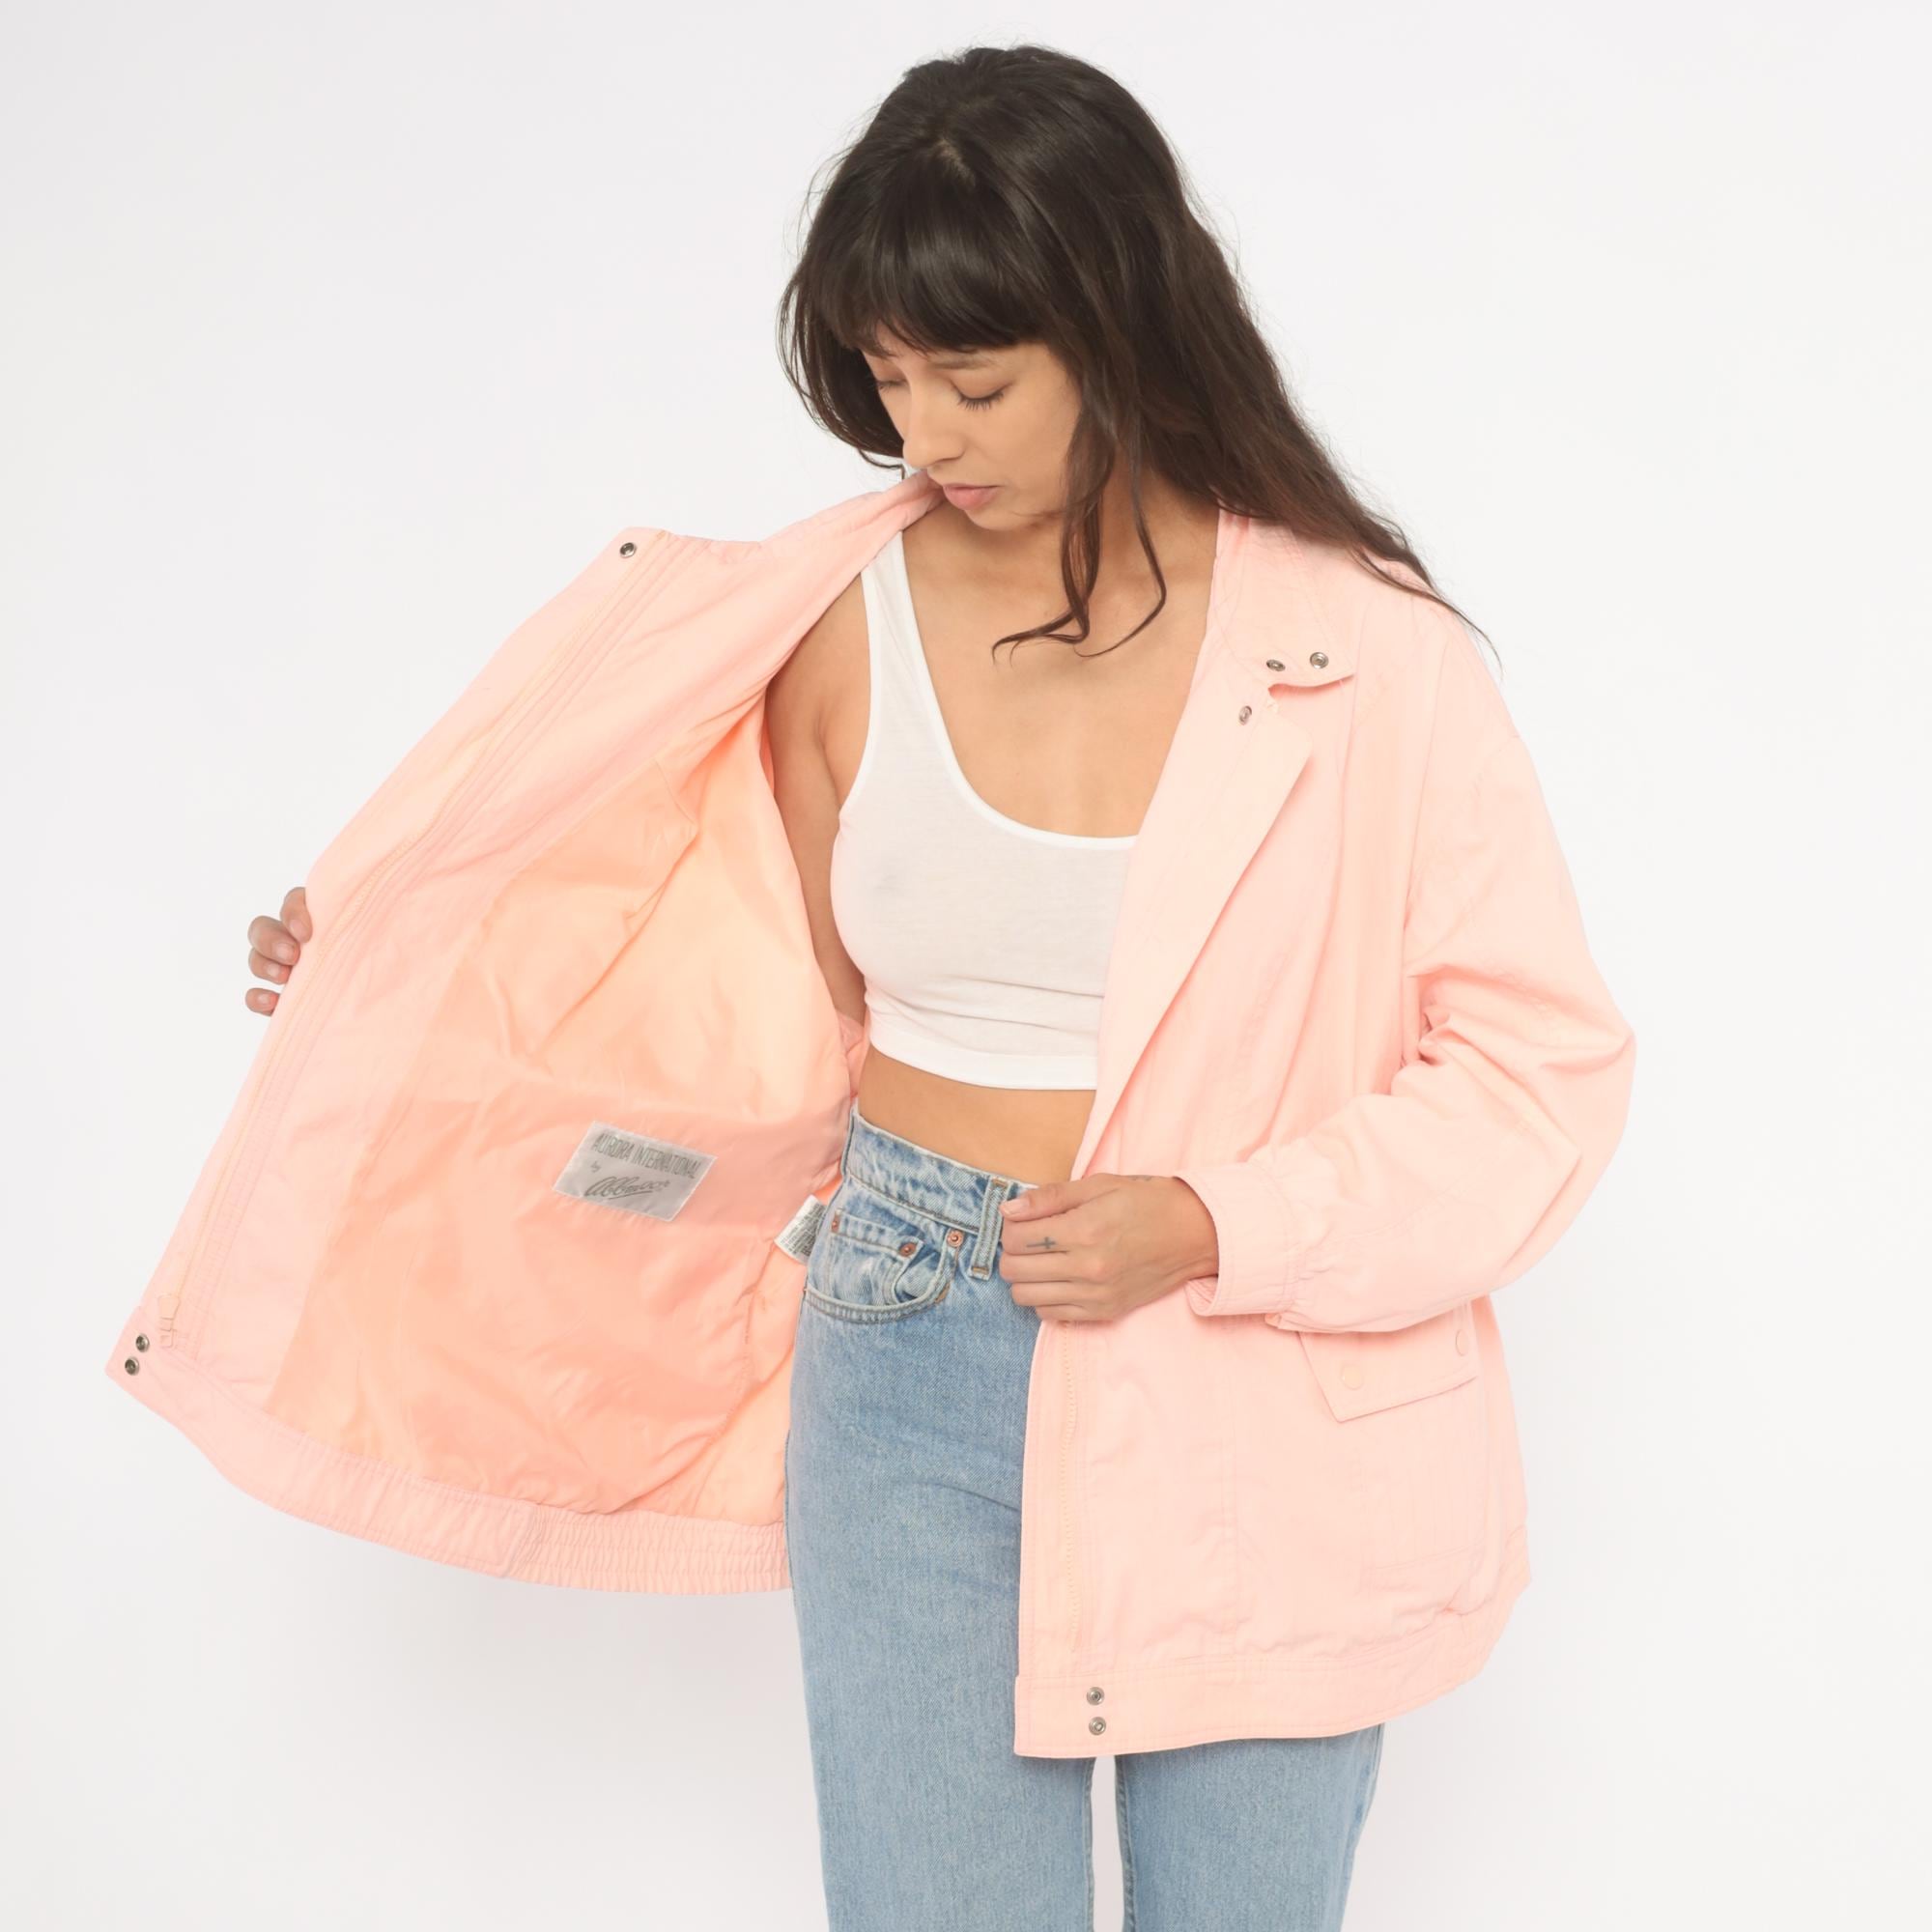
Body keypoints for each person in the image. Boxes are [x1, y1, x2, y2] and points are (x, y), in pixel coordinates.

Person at [237, 43, 1633, 1932]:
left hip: (1256, 1375)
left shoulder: (1367, 654)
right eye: (888, 382)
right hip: (905, 1334)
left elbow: (1539, 1073)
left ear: (1122, 328)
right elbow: (735, 998)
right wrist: (398, 969)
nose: (926, 439)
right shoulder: (825, 623)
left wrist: (1217, 1221)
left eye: (974, 382)